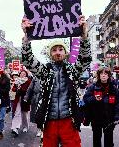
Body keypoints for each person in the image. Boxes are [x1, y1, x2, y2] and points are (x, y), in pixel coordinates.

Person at [21, 15, 92, 147]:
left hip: (68, 121)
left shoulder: (73, 71)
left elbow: (85, 59)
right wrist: (26, 37)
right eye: (54, 50)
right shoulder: (44, 71)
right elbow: (28, 61)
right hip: (49, 121)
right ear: (50, 54)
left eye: (60, 49)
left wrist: (84, 36)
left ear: (65, 53)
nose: (57, 52)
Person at [83, 67, 119, 147]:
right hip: (96, 117)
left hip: (109, 118)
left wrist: (117, 116)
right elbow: (86, 99)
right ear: (98, 75)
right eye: (101, 74)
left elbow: (118, 103)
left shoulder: (114, 89)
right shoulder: (93, 87)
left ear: (108, 76)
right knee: (96, 139)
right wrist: (94, 99)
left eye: (105, 74)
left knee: (109, 140)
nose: (103, 75)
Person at [11, 70, 31, 136]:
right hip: (17, 100)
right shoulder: (17, 81)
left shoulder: (28, 81)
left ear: (26, 75)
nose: (22, 75)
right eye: (21, 74)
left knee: (24, 115)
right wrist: (16, 88)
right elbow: (13, 89)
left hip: (25, 100)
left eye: (24, 74)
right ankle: (15, 128)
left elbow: (28, 91)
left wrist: (20, 89)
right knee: (17, 113)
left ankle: (25, 127)